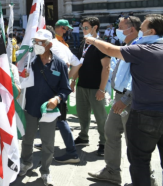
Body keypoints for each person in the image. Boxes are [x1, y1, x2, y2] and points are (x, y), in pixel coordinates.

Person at [85, 14, 163, 186]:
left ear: (132, 29)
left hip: (132, 101)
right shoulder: (133, 46)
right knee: (111, 131)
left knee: (136, 145)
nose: (117, 31)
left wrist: (126, 98)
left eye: (120, 28)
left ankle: (147, 178)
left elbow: (135, 78)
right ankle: (112, 171)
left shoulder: (143, 49)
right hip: (121, 97)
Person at [19, 29, 71, 186]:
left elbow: (65, 88)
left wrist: (57, 98)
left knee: (48, 143)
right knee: (27, 140)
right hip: (31, 108)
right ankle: (26, 163)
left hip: (49, 111)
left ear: (49, 44)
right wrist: (22, 77)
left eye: (40, 42)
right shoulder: (29, 62)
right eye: (35, 42)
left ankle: (45, 171)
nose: (37, 45)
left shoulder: (59, 64)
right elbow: (18, 82)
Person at [35, 26, 81, 164]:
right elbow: (77, 63)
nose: (37, 43)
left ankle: (72, 152)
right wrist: (67, 79)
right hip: (55, 89)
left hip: (54, 92)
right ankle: (46, 143)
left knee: (60, 121)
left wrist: (63, 81)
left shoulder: (51, 48)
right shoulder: (61, 46)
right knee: (48, 118)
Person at [72, 17, 110, 156]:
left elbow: (106, 67)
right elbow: (78, 64)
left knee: (100, 117)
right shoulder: (84, 43)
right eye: (82, 27)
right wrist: (73, 80)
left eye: (86, 27)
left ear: (95, 28)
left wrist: (102, 89)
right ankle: (83, 136)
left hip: (96, 87)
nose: (83, 30)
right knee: (82, 114)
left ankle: (104, 143)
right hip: (82, 86)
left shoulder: (102, 44)